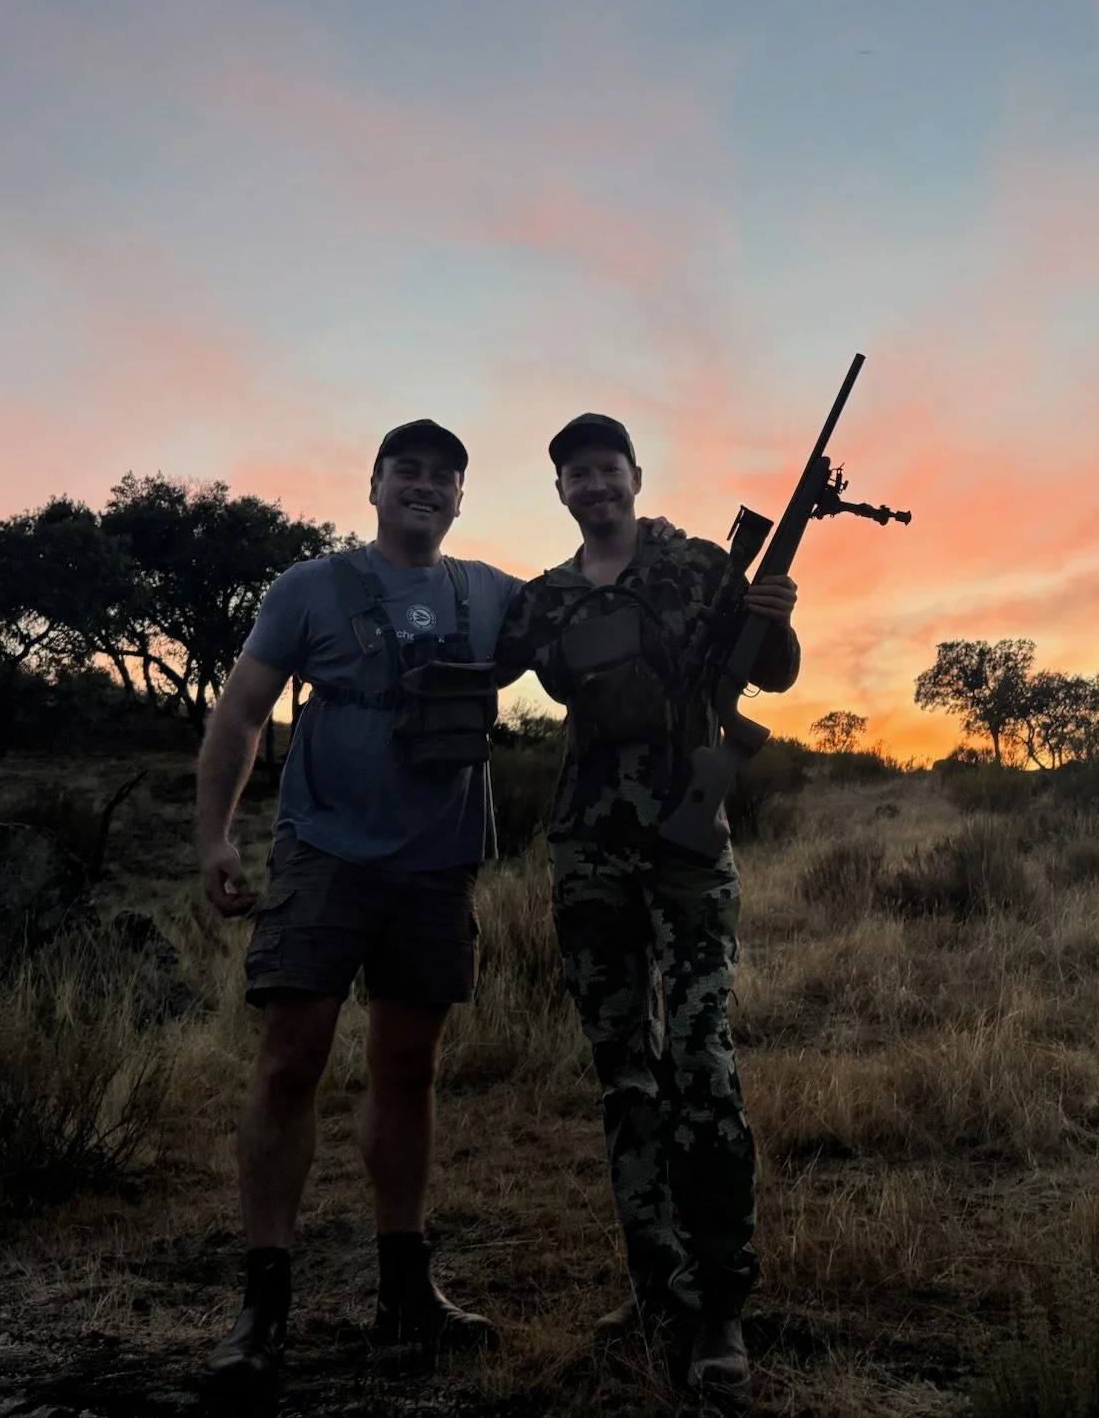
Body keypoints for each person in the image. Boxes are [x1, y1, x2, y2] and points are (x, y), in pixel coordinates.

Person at [193, 419, 515, 1404]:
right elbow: (242, 712)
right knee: (291, 1059)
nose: (424, 487)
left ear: (461, 497)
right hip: (324, 854)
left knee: (408, 1069)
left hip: (437, 864)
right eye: (406, 472)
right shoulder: (307, 589)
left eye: (443, 477)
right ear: (372, 485)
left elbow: (596, 639)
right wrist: (215, 837)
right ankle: (263, 1305)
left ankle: (404, 1291)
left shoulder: (495, 596)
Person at [494, 413, 800, 1393]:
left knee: (699, 1063)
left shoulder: (703, 566)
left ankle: (719, 1304)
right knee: (622, 1073)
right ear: (561, 491)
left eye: (605, 467)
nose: (592, 484)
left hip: (687, 848)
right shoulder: (543, 600)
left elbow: (775, 676)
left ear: (632, 474)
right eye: (573, 474)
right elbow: (489, 675)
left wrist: (777, 611)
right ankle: (651, 1284)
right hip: (589, 848)